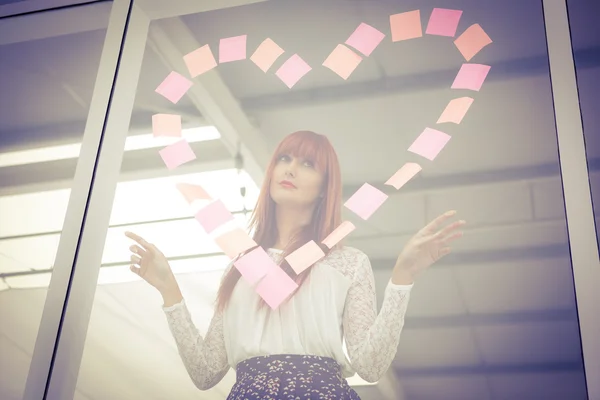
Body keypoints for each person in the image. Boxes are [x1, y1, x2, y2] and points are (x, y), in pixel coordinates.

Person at [125, 130, 465, 399]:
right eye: (284, 158)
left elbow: (371, 365)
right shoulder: (241, 265)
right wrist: (169, 289)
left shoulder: (347, 262)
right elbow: (205, 372)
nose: (290, 168)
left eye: (307, 163)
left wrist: (402, 279)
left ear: (323, 188)